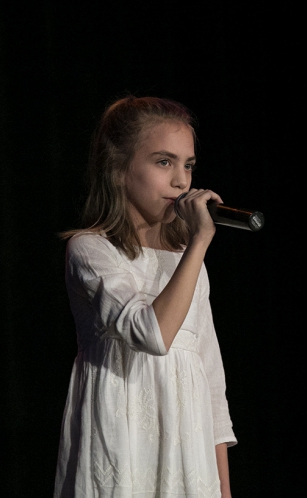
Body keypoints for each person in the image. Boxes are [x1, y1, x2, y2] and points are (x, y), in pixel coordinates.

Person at [53, 95, 237, 498]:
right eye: (164, 162)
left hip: (187, 453)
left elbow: (211, 381)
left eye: (188, 165)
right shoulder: (91, 250)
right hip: (122, 446)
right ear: (119, 169)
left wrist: (222, 488)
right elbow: (151, 333)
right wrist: (199, 242)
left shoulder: (188, 263)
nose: (182, 182)